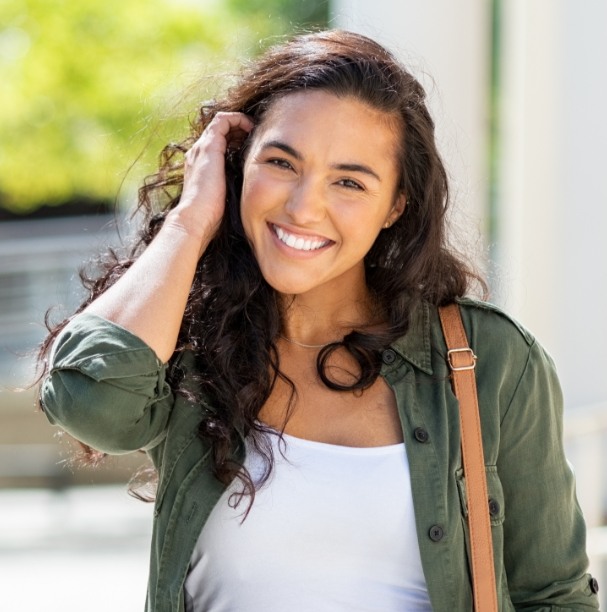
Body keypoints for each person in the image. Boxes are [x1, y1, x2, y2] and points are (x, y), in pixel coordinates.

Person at [38, 30, 599, 611]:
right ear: (238, 167)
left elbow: (553, 595)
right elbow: (89, 403)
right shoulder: (191, 340)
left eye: (350, 182)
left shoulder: (489, 359)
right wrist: (190, 221)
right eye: (281, 162)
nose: (305, 207)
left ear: (396, 206)